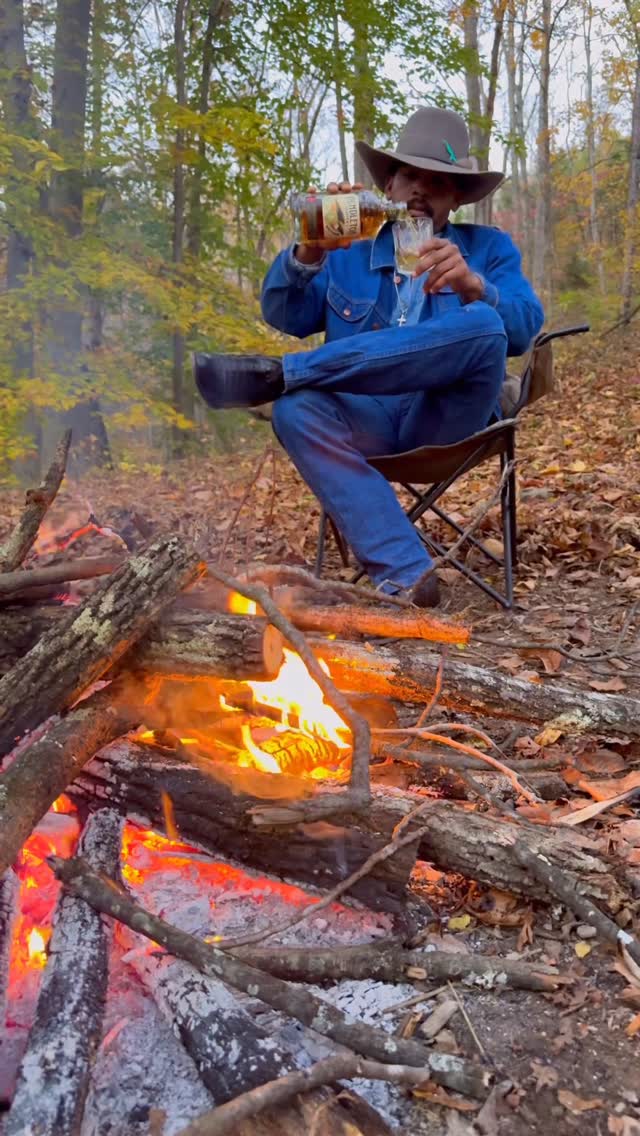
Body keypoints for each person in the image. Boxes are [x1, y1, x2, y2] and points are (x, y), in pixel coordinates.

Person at [194, 106, 544, 606]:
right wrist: (310, 250)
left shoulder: (487, 248)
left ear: (457, 197)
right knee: (296, 409)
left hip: (447, 418)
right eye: (409, 176)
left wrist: (473, 285)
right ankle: (406, 574)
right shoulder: (349, 249)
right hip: (367, 418)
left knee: (485, 323)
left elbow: (524, 328)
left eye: (438, 181)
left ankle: (280, 375)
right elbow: (285, 313)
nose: (420, 189)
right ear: (390, 186)